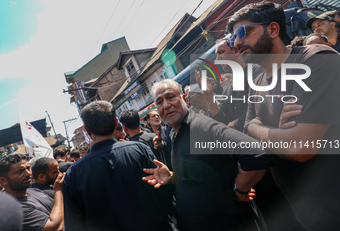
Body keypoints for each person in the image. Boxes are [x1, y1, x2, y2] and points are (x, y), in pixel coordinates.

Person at [227, 1, 340, 230]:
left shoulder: (315, 59)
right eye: (232, 39)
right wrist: (274, 131)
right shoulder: (256, 81)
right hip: (307, 215)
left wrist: (259, 129)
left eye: (243, 32)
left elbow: (300, 148)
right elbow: (248, 130)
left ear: (273, 30)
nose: (237, 42)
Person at [143, 79, 271, 231]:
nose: (166, 105)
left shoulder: (201, 126)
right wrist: (171, 177)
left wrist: (239, 190)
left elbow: (255, 153)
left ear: (184, 99)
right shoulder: (173, 134)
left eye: (170, 97)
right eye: (159, 102)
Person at [63, 101, 173, 231]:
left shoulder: (73, 174)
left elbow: (75, 225)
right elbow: (164, 194)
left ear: (87, 130)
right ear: (116, 123)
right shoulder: (139, 150)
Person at [0, 154, 65, 231]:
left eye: (28, 168)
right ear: (3, 181)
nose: (28, 173)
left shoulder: (34, 190)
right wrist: (58, 190)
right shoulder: (14, 209)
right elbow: (54, 227)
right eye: (20, 171)